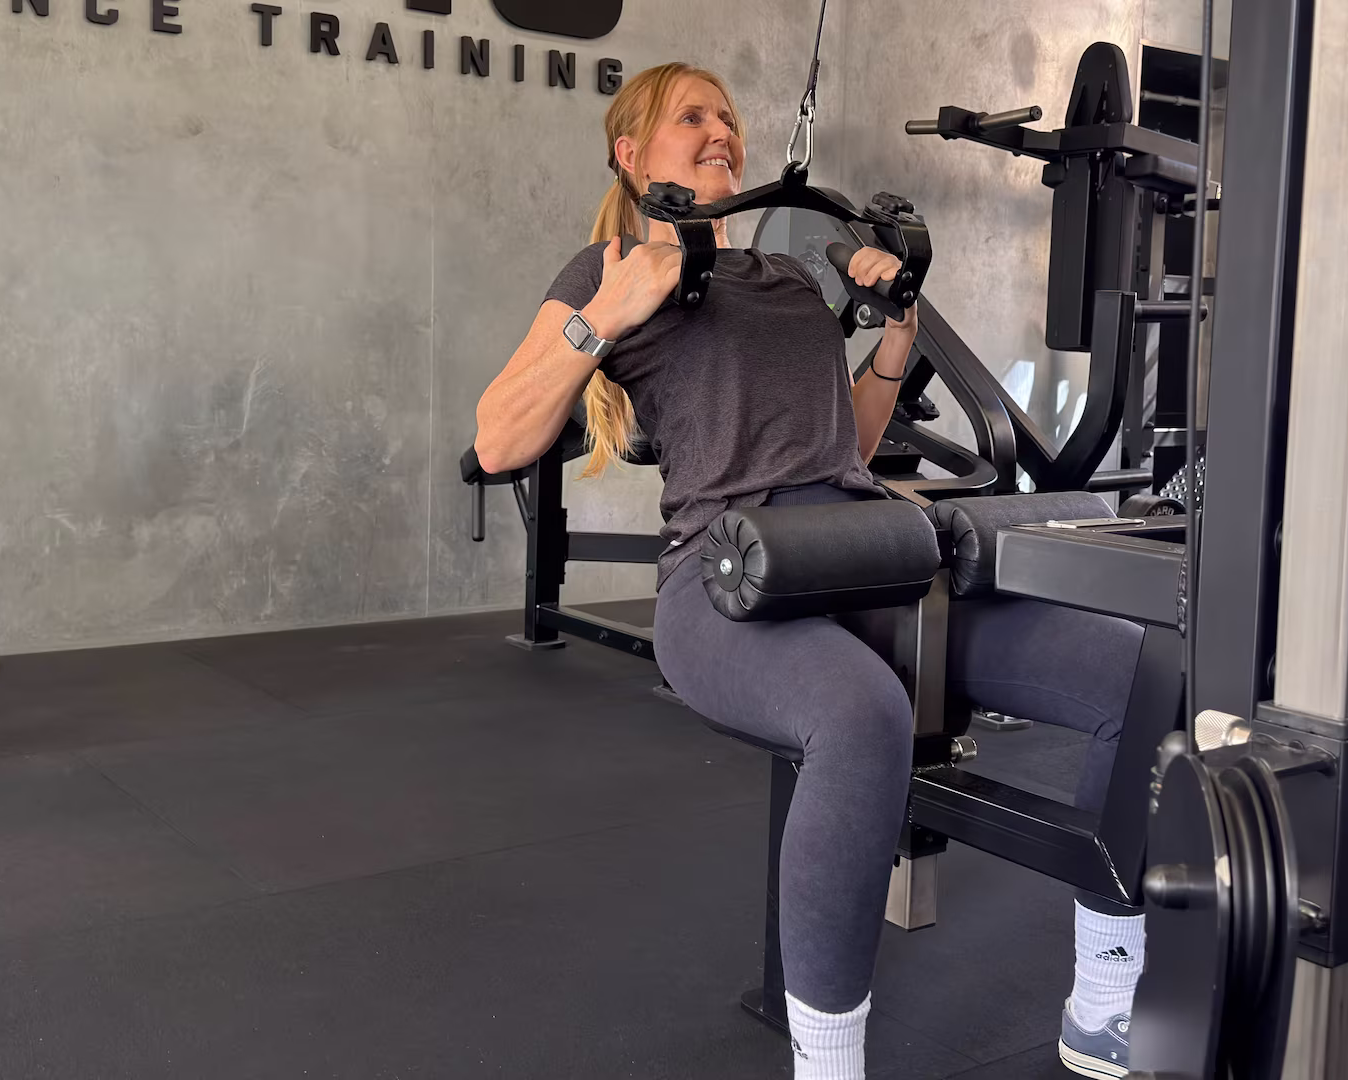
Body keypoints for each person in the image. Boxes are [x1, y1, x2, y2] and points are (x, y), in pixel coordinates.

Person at [474, 62, 1148, 1080]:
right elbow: (497, 441)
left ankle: (1105, 984)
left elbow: (845, 441)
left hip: (865, 552)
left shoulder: (787, 279)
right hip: (727, 581)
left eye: (729, 118)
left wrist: (895, 331)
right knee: (861, 717)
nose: (721, 132)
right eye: (691, 116)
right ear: (630, 152)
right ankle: (827, 1064)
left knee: (1131, 679)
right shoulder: (604, 268)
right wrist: (601, 318)